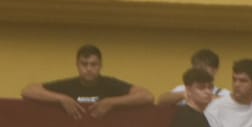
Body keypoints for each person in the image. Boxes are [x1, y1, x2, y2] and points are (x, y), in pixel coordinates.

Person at [21, 45, 153, 120]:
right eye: (84, 64)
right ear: (77, 66)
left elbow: (147, 96)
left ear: (100, 66)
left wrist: (112, 102)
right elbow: (28, 91)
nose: (88, 69)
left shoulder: (110, 85)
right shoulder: (67, 86)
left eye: (93, 64)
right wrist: (61, 99)